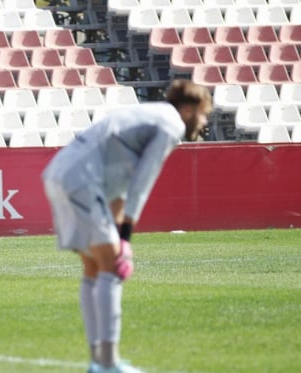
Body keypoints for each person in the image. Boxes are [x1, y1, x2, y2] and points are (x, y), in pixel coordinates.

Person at [41, 79, 212, 373]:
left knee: (93, 267)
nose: (205, 120)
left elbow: (118, 191)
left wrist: (120, 234)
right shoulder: (170, 125)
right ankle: (108, 363)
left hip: (60, 173)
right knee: (110, 267)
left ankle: (98, 361)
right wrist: (126, 239)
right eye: (203, 112)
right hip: (81, 179)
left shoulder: (150, 113)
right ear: (187, 110)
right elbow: (141, 183)